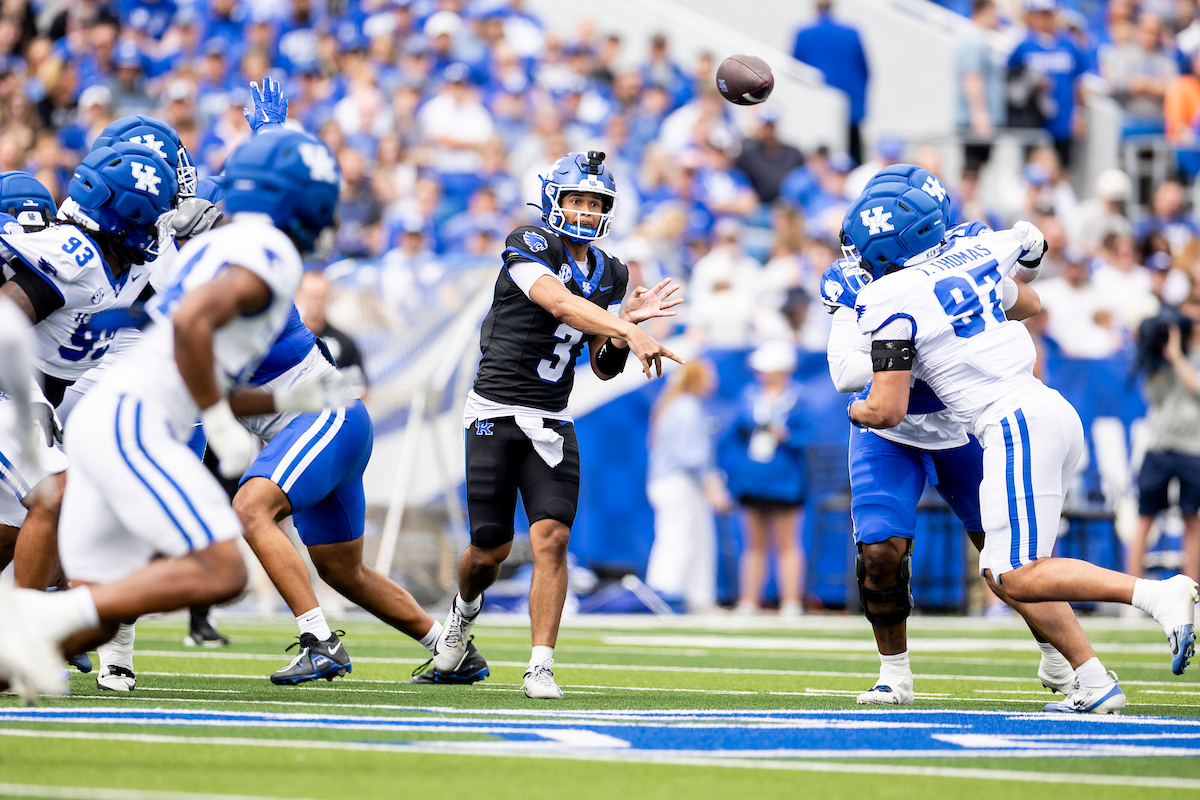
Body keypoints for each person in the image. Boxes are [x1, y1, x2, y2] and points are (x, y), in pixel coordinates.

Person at [0, 129, 344, 702]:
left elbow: (172, 327)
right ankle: (30, 620)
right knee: (218, 570)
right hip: (124, 418)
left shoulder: (170, 252)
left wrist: (289, 400)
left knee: (100, 609)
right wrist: (219, 415)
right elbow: (189, 331)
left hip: (112, 414)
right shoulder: (268, 252)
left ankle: (27, 639)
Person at [845, 180, 1198, 714]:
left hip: (1011, 422)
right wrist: (1022, 256)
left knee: (1016, 572)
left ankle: (1154, 594)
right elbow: (1029, 270)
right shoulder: (975, 254)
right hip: (1048, 410)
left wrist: (855, 409)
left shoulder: (887, 295)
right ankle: (1092, 682)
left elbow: (887, 409)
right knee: (1004, 566)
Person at [432, 150, 683, 700]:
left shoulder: (612, 272)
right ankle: (462, 612)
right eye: (576, 199)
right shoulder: (530, 243)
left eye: (595, 202)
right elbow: (561, 304)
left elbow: (600, 362)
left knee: (552, 539)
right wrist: (624, 325)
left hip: (553, 415)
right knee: (490, 548)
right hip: (495, 412)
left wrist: (621, 332)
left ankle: (540, 663)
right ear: (554, 200)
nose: (586, 210)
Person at [826, 163, 1077, 704]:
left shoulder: (962, 255)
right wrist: (905, 342)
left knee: (1008, 556)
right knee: (880, 552)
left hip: (963, 422)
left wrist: (983, 295)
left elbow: (1029, 303)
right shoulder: (853, 281)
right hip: (891, 431)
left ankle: (1058, 648)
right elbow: (845, 373)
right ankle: (894, 672)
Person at [726, 341, 808, 616]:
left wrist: (788, 436)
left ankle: (791, 602)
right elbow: (736, 434)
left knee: (787, 543)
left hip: (786, 479)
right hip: (753, 478)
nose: (761, 374)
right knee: (753, 544)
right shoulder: (748, 396)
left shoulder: (798, 398)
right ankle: (749, 601)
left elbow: (811, 435)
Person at [645, 359, 728, 613]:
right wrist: (713, 486)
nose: (714, 381)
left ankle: (698, 600)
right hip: (679, 483)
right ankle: (662, 596)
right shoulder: (687, 408)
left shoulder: (677, 406)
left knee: (697, 540)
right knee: (677, 539)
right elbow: (692, 456)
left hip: (676, 483)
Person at [1125, 312, 1200, 584]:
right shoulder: (1163, 359)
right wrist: (1155, 356)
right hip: (1158, 447)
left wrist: (1177, 356)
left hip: (1193, 448)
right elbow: (1153, 397)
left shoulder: (1185, 357)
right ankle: (1132, 590)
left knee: (1191, 520)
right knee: (1145, 518)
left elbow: (1197, 390)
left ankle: (1193, 593)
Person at [1006, 0, 1088, 168]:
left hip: (1063, 119)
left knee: (1063, 166)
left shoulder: (1068, 45)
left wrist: (1079, 114)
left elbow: (1078, 83)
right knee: (1031, 165)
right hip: (1032, 120)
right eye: (1040, 14)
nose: (1044, 19)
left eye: (1048, 14)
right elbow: (1011, 81)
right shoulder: (1023, 46)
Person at [792, 0, 870, 164]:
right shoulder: (851, 32)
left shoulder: (804, 34)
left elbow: (795, 73)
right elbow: (865, 71)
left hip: (817, 111)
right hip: (850, 110)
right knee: (853, 161)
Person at [295, 270, 369, 398]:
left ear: (328, 298)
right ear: (300, 296)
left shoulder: (344, 341)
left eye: (321, 296)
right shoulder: (291, 341)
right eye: (311, 296)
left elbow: (363, 388)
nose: (316, 302)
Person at [956, 0, 1006, 172]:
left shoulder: (978, 40)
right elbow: (972, 78)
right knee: (972, 167)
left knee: (976, 167)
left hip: (977, 120)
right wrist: (980, 115)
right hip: (976, 122)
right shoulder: (974, 42)